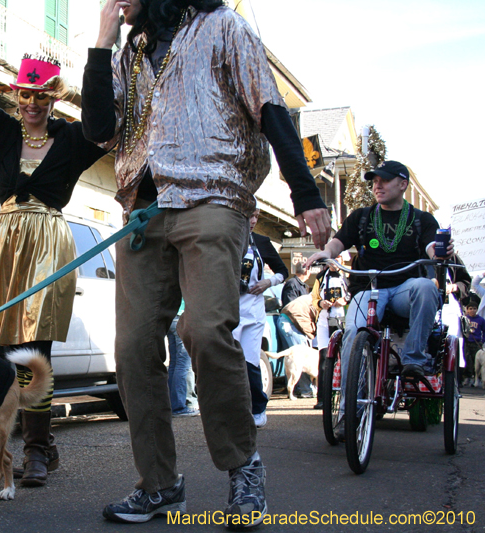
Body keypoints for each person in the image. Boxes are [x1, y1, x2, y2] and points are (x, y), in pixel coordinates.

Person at [81, 0, 331, 526]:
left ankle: (243, 467)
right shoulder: (133, 50)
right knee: (131, 350)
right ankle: (160, 485)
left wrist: (306, 194)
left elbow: (270, 109)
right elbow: (98, 128)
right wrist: (102, 42)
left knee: (206, 330)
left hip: (213, 197)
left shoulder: (224, 27)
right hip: (144, 213)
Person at [0, 8, 108, 487]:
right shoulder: (3, 132)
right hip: (6, 241)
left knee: (35, 348)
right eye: (25, 97)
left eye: (40, 98)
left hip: (48, 244)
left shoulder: (74, 139)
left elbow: (107, 124)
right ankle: (10, 442)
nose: (32, 105)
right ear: (16, 98)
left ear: (52, 100)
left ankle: (37, 450)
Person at [306, 160, 453, 439]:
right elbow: (338, 242)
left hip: (403, 290)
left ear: (402, 184)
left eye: (384, 180)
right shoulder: (361, 216)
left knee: (424, 286)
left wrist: (441, 254)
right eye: (374, 180)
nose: (377, 185)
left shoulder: (422, 219)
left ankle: (414, 359)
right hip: (368, 288)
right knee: (351, 335)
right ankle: (351, 413)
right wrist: (325, 253)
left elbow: (434, 248)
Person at [234, 204, 288, 428]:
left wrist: (268, 281)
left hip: (254, 312)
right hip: (227, 309)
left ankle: (258, 408)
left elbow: (283, 272)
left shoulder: (263, 242)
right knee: (227, 362)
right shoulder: (226, 239)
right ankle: (232, 410)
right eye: (249, 215)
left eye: (256, 216)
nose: (253, 220)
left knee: (249, 362)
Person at [310, 255, 350, 409]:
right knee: (325, 357)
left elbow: (355, 293)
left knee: (344, 357)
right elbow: (314, 298)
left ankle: (347, 397)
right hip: (325, 319)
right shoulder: (321, 277)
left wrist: (345, 300)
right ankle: (323, 398)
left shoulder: (348, 275)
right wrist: (320, 303)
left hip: (343, 318)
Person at [168, 301, 199, 417]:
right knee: (184, 365)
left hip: (170, 318)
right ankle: (179, 406)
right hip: (182, 317)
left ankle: (173, 404)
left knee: (174, 364)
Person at [462, 303, 485, 386]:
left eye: (474, 308)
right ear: (467, 310)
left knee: (477, 362)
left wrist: (482, 341)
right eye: (470, 308)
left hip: (476, 343)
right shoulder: (464, 319)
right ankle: (467, 377)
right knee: (467, 360)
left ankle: (476, 378)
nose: (472, 310)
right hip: (467, 342)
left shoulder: (481, 320)